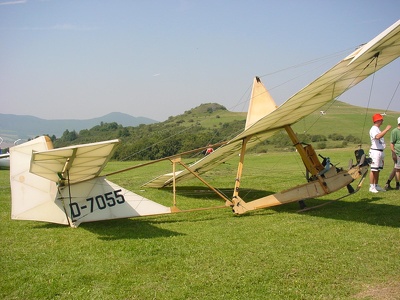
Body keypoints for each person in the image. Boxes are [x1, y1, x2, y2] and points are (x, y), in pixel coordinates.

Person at [368, 113, 391, 193]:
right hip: (375, 151)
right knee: (373, 169)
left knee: (378, 169)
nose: (382, 121)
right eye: (381, 119)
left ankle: (376, 185)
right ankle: (371, 186)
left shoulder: (377, 129)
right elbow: (377, 137)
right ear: (378, 120)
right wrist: (386, 129)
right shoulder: (373, 129)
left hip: (380, 151)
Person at [384, 117, 400, 190]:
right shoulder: (395, 131)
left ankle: (387, 183)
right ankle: (398, 185)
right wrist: (393, 153)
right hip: (397, 152)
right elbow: (391, 143)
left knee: (396, 168)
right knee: (398, 169)